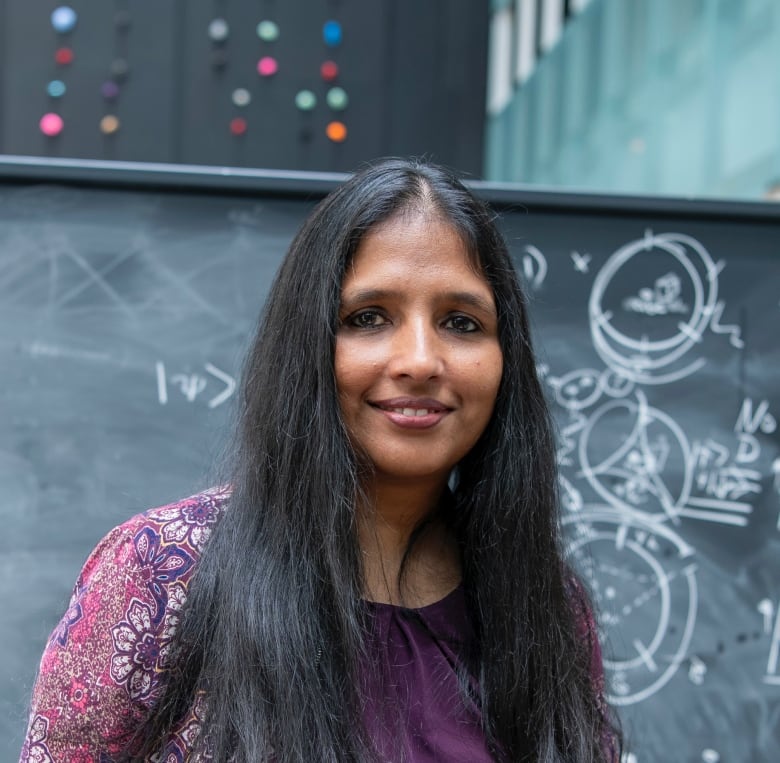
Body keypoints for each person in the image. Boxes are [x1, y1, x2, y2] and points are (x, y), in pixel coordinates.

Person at [20, 158, 621, 762]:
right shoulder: (162, 574)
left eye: (461, 322)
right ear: (308, 343)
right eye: (367, 318)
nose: (419, 359)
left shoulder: (547, 611)